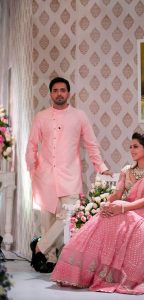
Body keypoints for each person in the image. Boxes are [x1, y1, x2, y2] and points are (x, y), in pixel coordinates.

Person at [51, 132, 144, 294]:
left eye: (136, 147)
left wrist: (121, 208)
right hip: (127, 211)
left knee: (117, 212)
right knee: (106, 215)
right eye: (130, 147)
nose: (132, 150)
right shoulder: (126, 170)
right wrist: (108, 203)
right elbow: (117, 195)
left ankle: (110, 274)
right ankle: (86, 273)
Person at [26, 77, 111, 273]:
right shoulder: (41, 116)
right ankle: (50, 260)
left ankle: (39, 246)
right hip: (45, 176)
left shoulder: (79, 116)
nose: (59, 94)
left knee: (68, 216)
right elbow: (31, 145)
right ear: (50, 94)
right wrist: (32, 169)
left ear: (69, 93)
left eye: (62, 90)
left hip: (70, 175)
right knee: (47, 220)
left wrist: (101, 167)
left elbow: (91, 144)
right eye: (55, 90)